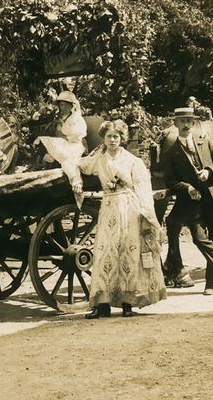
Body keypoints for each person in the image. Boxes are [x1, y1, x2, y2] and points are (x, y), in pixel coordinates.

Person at [70, 119, 167, 318]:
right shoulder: (98, 159)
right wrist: (76, 179)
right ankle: (102, 304)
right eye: (109, 137)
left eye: (116, 136)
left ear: (122, 139)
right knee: (105, 252)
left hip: (129, 208)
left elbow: (143, 189)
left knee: (127, 252)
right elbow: (74, 164)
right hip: (108, 208)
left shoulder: (133, 161)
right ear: (103, 139)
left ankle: (127, 302)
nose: (113, 140)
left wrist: (146, 214)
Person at [162, 107, 213, 295]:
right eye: (182, 121)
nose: (186, 125)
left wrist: (209, 171)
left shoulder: (205, 142)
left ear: (193, 124)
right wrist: (187, 188)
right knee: (199, 239)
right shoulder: (171, 152)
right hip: (192, 204)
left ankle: (211, 283)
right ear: (175, 124)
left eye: (189, 121)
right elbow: (170, 181)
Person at [35, 91, 87, 171]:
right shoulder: (57, 118)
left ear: (71, 106)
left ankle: (52, 165)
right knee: (43, 141)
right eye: (62, 105)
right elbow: (53, 132)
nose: (65, 107)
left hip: (71, 142)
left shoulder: (75, 118)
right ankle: (38, 164)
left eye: (67, 105)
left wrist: (61, 135)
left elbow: (76, 135)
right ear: (59, 106)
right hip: (59, 141)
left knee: (60, 152)